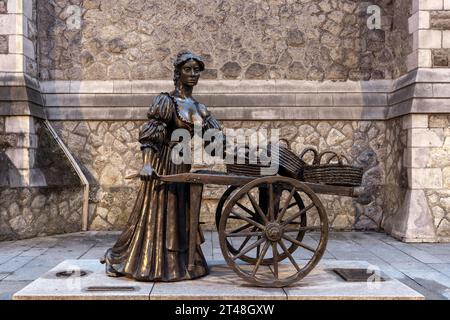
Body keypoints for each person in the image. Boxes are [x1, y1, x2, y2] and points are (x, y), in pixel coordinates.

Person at [101, 51, 221, 281]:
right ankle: (147, 262)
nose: (193, 74)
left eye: (197, 70)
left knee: (180, 212)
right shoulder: (166, 101)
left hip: (183, 162)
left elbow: (213, 144)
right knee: (157, 211)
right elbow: (150, 136)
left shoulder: (200, 108)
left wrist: (224, 144)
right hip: (163, 163)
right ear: (178, 73)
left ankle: (181, 262)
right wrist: (146, 164)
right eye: (188, 69)